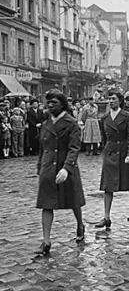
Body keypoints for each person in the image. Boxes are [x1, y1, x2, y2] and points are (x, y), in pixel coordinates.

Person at [35, 89, 85, 255]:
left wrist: (67, 168)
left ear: (62, 104)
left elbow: (74, 148)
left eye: (54, 103)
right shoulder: (45, 124)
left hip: (65, 168)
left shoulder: (71, 124)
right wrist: (40, 167)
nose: (50, 106)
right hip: (48, 168)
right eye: (48, 102)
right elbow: (43, 148)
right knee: (46, 204)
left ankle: (80, 224)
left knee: (73, 200)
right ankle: (46, 241)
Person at [95, 89, 129, 228]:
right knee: (107, 185)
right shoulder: (104, 118)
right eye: (109, 98)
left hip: (124, 152)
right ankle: (106, 216)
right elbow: (104, 136)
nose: (111, 101)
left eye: (113, 98)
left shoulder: (127, 116)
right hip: (110, 152)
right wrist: (106, 149)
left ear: (120, 101)